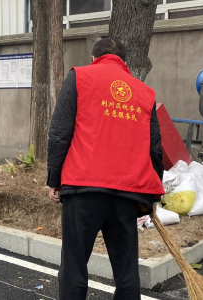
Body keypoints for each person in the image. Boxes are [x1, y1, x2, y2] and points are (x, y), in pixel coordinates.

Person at [47, 38, 165, 300]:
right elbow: (155, 150)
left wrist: (55, 179)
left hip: (82, 188)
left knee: (74, 265)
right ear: (125, 62)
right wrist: (152, 196)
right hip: (126, 193)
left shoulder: (80, 76)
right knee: (126, 270)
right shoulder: (144, 93)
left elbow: (59, 133)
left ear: (93, 58)